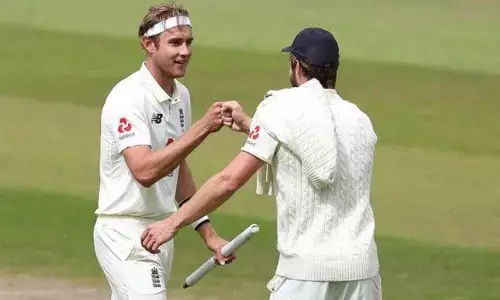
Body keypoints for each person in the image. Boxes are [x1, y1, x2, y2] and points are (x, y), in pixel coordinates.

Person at [140, 27, 382, 300]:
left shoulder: (280, 106)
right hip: (363, 273)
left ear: (296, 65)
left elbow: (228, 180)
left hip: (306, 274)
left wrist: (171, 224)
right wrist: (252, 126)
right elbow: (318, 151)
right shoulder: (359, 119)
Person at [93, 2, 235, 300]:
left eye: (188, 42)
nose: (185, 51)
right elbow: (144, 171)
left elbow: (177, 166)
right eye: (175, 43)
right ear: (149, 44)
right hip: (125, 232)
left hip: (161, 232)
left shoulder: (180, 96)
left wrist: (207, 233)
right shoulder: (128, 98)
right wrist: (203, 128)